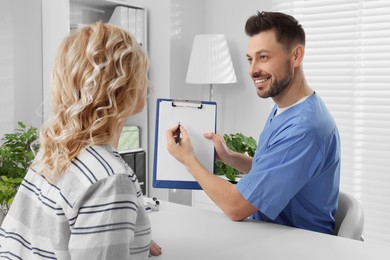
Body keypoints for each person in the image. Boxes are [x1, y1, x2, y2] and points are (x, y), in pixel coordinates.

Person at [166, 11, 340, 235]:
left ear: (296, 56)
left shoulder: (305, 128)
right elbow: (269, 170)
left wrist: (188, 160)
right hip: (268, 231)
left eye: (264, 57)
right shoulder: (288, 107)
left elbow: (236, 207)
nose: (252, 70)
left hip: (298, 243)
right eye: (250, 59)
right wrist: (229, 156)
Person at [0, 22, 161, 258]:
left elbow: (42, 232)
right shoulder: (110, 180)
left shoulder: (57, 149)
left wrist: (118, 234)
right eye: (142, 75)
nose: (148, 85)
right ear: (122, 88)